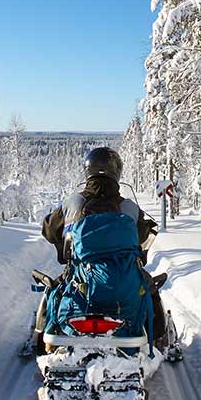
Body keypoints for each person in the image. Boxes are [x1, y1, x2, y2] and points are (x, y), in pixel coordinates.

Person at [34, 146, 167, 350]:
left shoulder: (73, 203)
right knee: (150, 290)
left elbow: (49, 231)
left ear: (88, 170)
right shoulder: (130, 208)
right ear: (117, 173)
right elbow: (142, 237)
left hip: (80, 277)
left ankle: (41, 338)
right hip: (123, 278)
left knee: (54, 290)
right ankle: (157, 339)